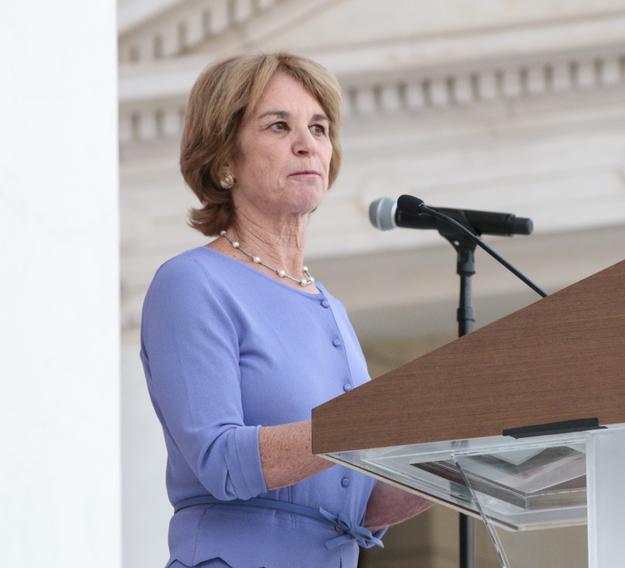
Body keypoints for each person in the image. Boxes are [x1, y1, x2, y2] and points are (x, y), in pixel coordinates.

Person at [140, 52, 432, 568]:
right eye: (279, 125)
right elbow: (219, 460)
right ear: (224, 160)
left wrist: (466, 459)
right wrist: (361, 422)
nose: (308, 144)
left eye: (319, 128)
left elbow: (355, 505)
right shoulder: (191, 283)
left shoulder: (329, 307)